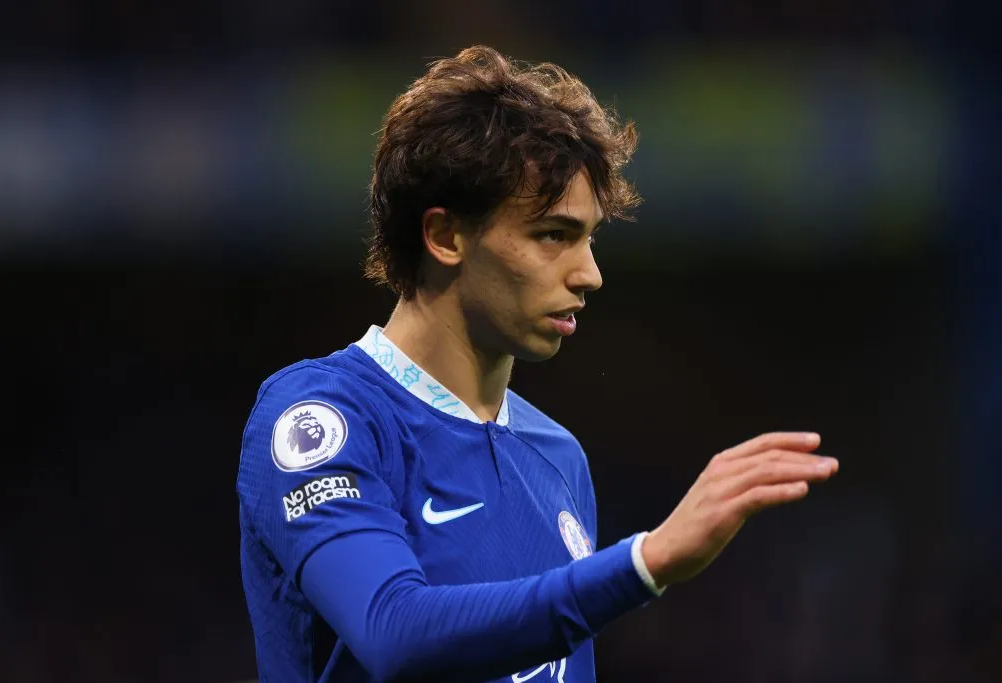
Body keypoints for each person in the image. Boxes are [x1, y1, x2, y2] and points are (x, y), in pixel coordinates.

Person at [236, 45, 839, 683]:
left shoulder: (558, 459)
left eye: (590, 238)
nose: (591, 275)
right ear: (444, 237)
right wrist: (645, 562)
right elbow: (394, 632)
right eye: (552, 235)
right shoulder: (322, 416)